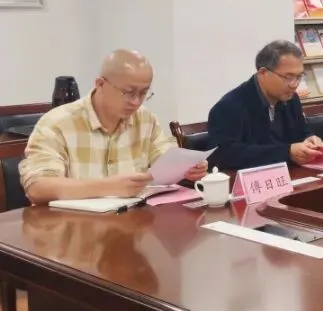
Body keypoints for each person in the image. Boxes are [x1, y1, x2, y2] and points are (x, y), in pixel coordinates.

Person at [19, 50, 207, 204]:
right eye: (129, 92)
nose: (136, 102)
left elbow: (165, 160)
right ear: (100, 84)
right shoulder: (57, 123)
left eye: (143, 93)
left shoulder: (145, 120)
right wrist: (108, 187)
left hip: (132, 225)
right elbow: (37, 187)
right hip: (74, 228)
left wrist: (187, 168)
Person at [207, 40, 323, 170]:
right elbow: (225, 154)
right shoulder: (229, 107)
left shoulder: (292, 98)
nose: (294, 84)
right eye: (288, 77)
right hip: (249, 178)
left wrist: (309, 139)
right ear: (263, 73)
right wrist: (287, 152)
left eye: (299, 77)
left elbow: (302, 131)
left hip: (289, 174)